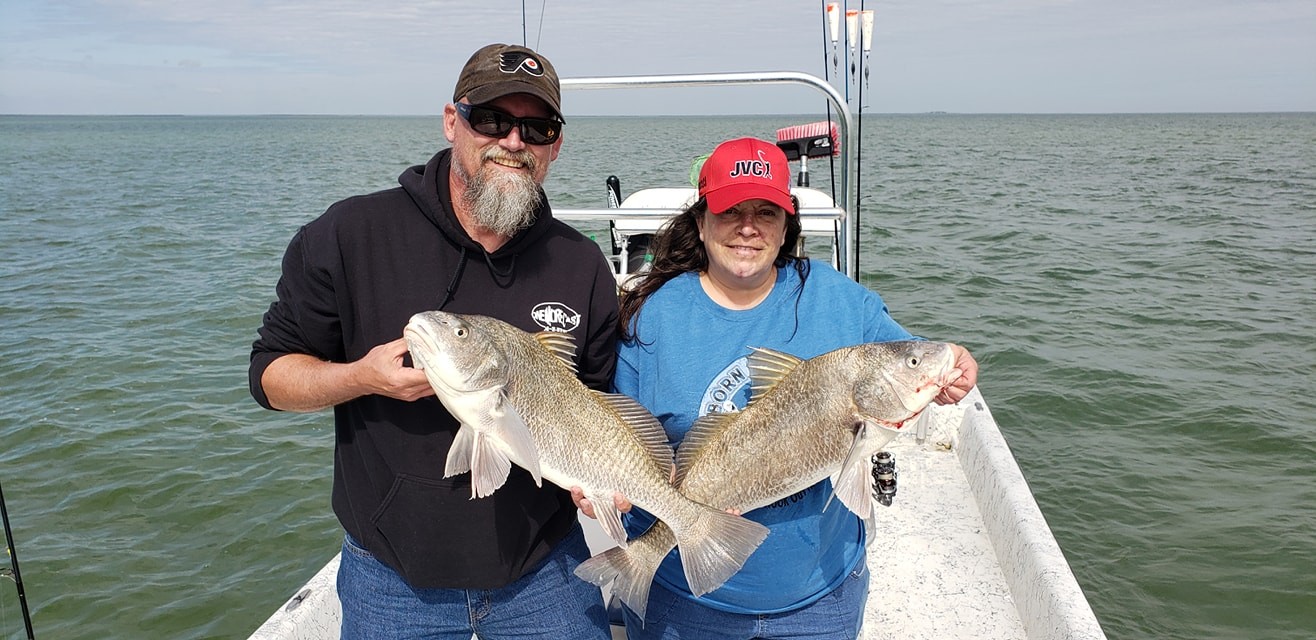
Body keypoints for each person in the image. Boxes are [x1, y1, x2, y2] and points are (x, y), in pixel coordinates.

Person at [249, 43, 619, 639]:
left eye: (537, 126)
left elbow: (595, 401)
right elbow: (269, 377)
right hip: (391, 580)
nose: (514, 141)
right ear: (453, 121)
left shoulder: (582, 264)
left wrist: (600, 481)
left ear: (556, 144)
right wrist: (360, 378)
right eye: (493, 119)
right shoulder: (350, 234)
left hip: (545, 571)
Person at [595, 137, 979, 639]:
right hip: (688, 595)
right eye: (731, 209)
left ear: (786, 226)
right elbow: (621, 437)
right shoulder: (653, 317)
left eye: (766, 212)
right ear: (702, 220)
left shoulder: (842, 300)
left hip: (819, 597)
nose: (748, 227)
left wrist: (953, 363)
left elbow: (913, 357)